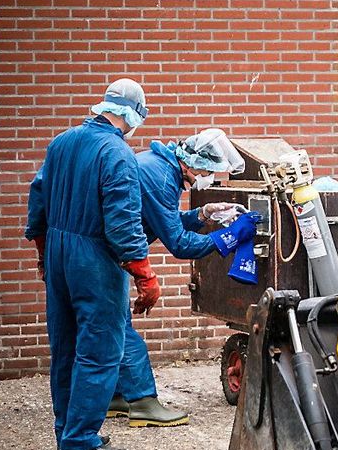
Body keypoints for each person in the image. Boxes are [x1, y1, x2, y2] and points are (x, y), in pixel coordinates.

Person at [25, 78, 159, 450]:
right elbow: (122, 223)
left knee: (65, 347)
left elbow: (38, 200)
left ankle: (67, 432)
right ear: (133, 115)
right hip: (94, 258)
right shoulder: (117, 153)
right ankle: (81, 442)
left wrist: (43, 254)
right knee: (99, 350)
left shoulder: (61, 142)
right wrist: (144, 275)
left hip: (58, 251)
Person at [108, 128, 258, 425]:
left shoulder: (159, 165)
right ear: (193, 163)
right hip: (106, 255)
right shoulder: (162, 178)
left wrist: (204, 213)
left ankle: (116, 396)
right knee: (121, 330)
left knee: (115, 327)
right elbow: (179, 244)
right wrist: (228, 236)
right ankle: (142, 402)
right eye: (209, 171)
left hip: (109, 252)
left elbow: (164, 219)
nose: (209, 178)